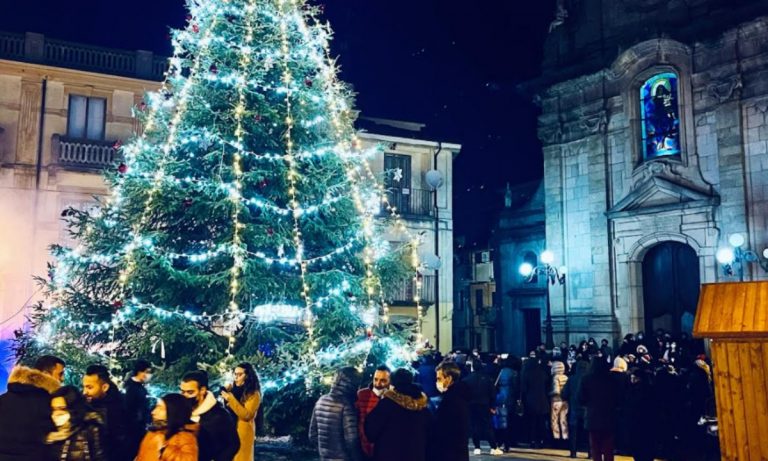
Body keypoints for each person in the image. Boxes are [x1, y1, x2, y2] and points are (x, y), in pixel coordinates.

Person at [0, 356, 63, 461]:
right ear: (47, 375)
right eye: (60, 374)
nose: (62, 379)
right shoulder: (48, 404)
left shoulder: (3, 400)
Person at [364, 368, 431, 461]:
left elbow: (371, 432)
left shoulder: (386, 405)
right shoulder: (423, 407)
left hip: (388, 455)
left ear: (392, 383)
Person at [180, 370, 239, 461]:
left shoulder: (220, 416)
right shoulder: (180, 411)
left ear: (202, 390)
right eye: (183, 392)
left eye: (190, 392)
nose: (185, 396)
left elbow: (233, 444)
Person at [309, 367, 362, 461]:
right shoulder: (346, 405)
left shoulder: (321, 400)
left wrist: (324, 451)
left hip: (324, 457)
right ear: (352, 384)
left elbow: (312, 435)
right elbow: (351, 440)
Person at [47, 385, 107, 461]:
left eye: (62, 409)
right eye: (53, 409)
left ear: (73, 409)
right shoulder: (48, 433)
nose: (56, 413)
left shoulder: (90, 429)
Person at [83, 364, 129, 461]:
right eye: (84, 387)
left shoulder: (118, 408)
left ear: (105, 387)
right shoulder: (85, 403)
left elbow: (120, 441)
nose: (84, 392)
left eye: (89, 387)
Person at [579, 356, 619, 461]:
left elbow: (581, 398)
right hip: (609, 416)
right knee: (608, 447)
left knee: (595, 448)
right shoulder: (612, 379)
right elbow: (618, 398)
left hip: (592, 416)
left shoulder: (586, 379)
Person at [136, 393, 198, 461]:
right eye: (156, 407)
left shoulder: (186, 438)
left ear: (173, 412)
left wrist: (164, 449)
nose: (153, 412)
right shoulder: (153, 431)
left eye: (161, 408)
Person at [428, 361, 470, 461]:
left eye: (439, 379)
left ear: (449, 378)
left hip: (450, 453)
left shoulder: (451, 400)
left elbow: (443, 429)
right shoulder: (459, 396)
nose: (437, 382)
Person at [221, 363, 261, 461]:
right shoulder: (234, 390)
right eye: (235, 374)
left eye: (240, 374)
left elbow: (247, 415)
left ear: (247, 376)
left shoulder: (253, 394)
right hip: (231, 431)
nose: (236, 377)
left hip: (243, 433)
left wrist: (231, 399)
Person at [463, 359, 502, 455]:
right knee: (487, 426)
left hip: (471, 405)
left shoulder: (467, 379)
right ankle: (493, 447)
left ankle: (477, 447)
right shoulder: (487, 379)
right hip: (485, 405)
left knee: (474, 426)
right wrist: (492, 406)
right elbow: (492, 394)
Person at [355, 365, 391, 459]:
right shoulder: (362, 395)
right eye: (376, 379)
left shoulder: (393, 398)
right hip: (364, 448)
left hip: (385, 450)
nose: (378, 383)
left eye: (383, 380)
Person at [124, 359, 153, 458]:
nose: (149, 375)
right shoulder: (131, 389)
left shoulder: (139, 387)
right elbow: (130, 410)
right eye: (148, 372)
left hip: (138, 428)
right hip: (133, 431)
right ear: (140, 372)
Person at [561, 357, 589, 458]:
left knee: (573, 431)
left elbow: (564, 394)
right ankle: (590, 453)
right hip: (587, 408)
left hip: (574, 407)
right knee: (588, 431)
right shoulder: (589, 378)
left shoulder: (572, 378)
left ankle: (573, 452)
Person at [520, 356, 549, 449]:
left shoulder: (527, 374)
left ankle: (532, 440)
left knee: (532, 423)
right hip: (542, 400)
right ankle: (541, 440)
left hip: (530, 401)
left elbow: (524, 389)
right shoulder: (542, 373)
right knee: (541, 422)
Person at [550, 361, 569, 444]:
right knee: (563, 420)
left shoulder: (555, 378)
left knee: (554, 420)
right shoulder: (566, 377)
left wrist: (549, 394)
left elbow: (556, 391)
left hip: (556, 401)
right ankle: (565, 437)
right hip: (565, 401)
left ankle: (556, 438)